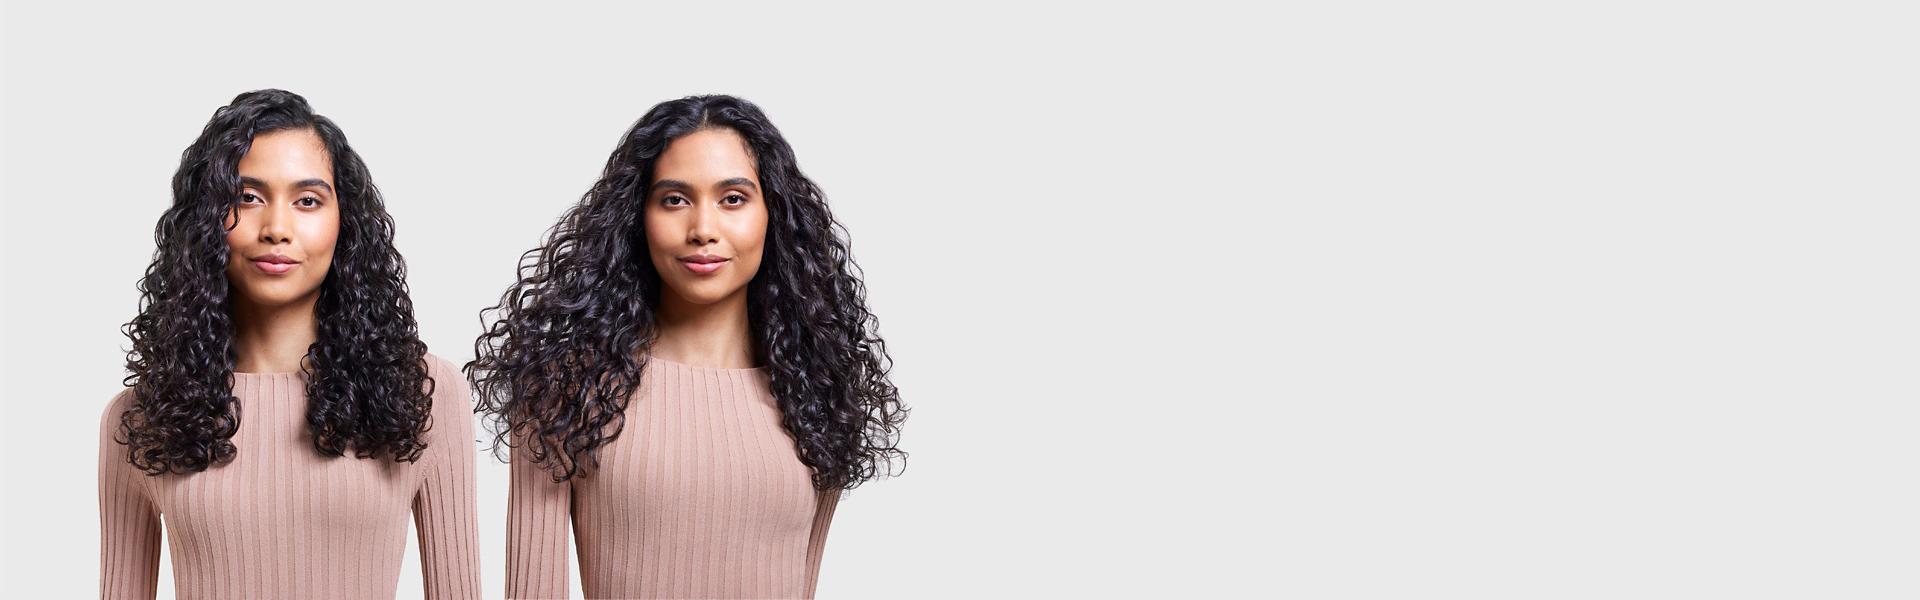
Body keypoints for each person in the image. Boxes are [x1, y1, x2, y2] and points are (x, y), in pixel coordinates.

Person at [469, 94, 907, 599]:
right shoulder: (566, 388)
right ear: (638, 216)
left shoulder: (816, 390)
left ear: (774, 215)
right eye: (674, 199)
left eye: (733, 199)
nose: (703, 229)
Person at [98, 89, 481, 599]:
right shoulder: (143, 415)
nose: (277, 229)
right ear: (208, 221)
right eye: (247, 198)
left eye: (307, 201)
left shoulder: (426, 393)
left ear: (343, 222)